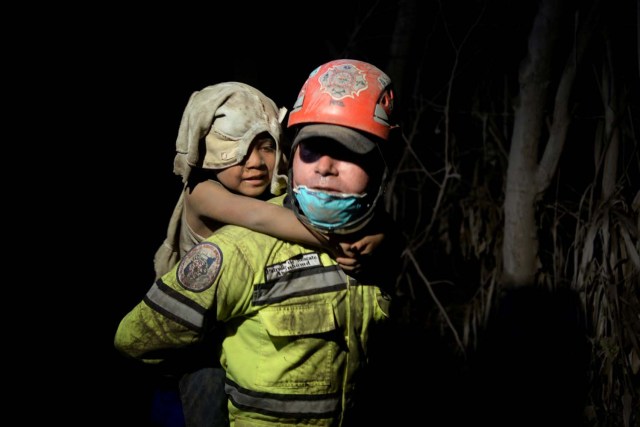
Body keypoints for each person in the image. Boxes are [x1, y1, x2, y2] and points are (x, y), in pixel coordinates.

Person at [115, 59, 402, 426]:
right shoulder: (204, 194)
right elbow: (261, 218)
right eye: (235, 146)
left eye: (266, 147)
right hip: (199, 346)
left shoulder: (278, 190)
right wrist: (340, 237)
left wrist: (381, 232)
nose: (254, 162)